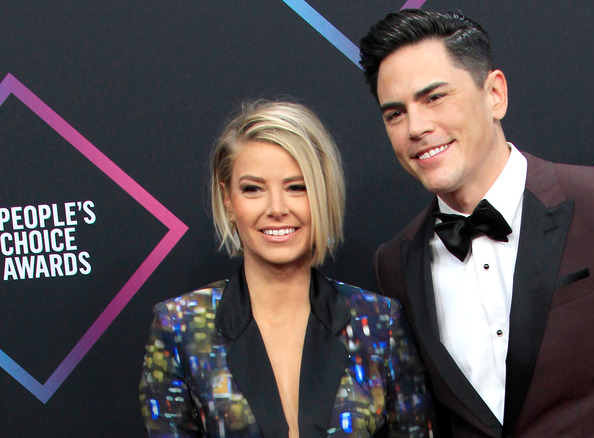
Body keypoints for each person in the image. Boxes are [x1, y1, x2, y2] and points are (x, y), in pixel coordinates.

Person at [359, 9, 594, 437]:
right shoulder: (396, 263)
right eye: (395, 114)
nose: (417, 127)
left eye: (434, 98)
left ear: (495, 94)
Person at [139, 100, 434, 437]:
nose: (276, 208)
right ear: (227, 200)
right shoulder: (181, 327)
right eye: (253, 189)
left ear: (322, 194)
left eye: (296, 187)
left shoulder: (379, 323)